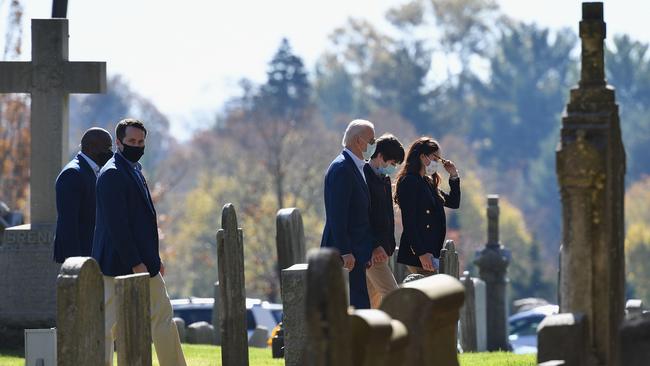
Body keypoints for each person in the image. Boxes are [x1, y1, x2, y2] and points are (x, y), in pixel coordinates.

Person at [92, 118, 186, 366]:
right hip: (116, 265)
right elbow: (117, 227)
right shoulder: (112, 173)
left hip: (146, 264)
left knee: (163, 318)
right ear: (119, 142)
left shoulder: (133, 169)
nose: (137, 145)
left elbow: (143, 222)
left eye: (141, 141)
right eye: (131, 141)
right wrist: (136, 263)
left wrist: (154, 260)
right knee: (106, 327)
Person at [321, 119, 376, 309]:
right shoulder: (342, 168)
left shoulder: (356, 167)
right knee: (350, 308)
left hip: (357, 251)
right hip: (345, 254)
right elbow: (338, 215)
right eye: (371, 141)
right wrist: (345, 251)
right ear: (358, 141)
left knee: (359, 306)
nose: (373, 145)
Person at [394, 137, 460, 276]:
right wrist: (421, 252)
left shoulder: (428, 182)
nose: (437, 163)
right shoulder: (409, 182)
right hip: (419, 254)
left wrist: (453, 176)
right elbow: (409, 221)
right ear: (423, 157)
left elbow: (453, 202)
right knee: (429, 296)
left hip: (431, 251)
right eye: (435, 159)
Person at [53, 127, 113, 263]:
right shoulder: (72, 174)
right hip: (79, 256)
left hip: (92, 254)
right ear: (92, 148)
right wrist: (75, 262)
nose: (110, 153)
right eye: (107, 147)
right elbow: (68, 223)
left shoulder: (94, 170)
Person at [363, 133, 404, 308]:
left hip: (383, 251)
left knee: (372, 303)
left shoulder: (384, 179)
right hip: (372, 251)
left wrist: (387, 245)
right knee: (394, 296)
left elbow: (387, 215)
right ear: (380, 156)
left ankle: (371, 335)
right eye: (392, 163)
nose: (393, 168)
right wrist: (374, 245)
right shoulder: (363, 176)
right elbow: (362, 216)